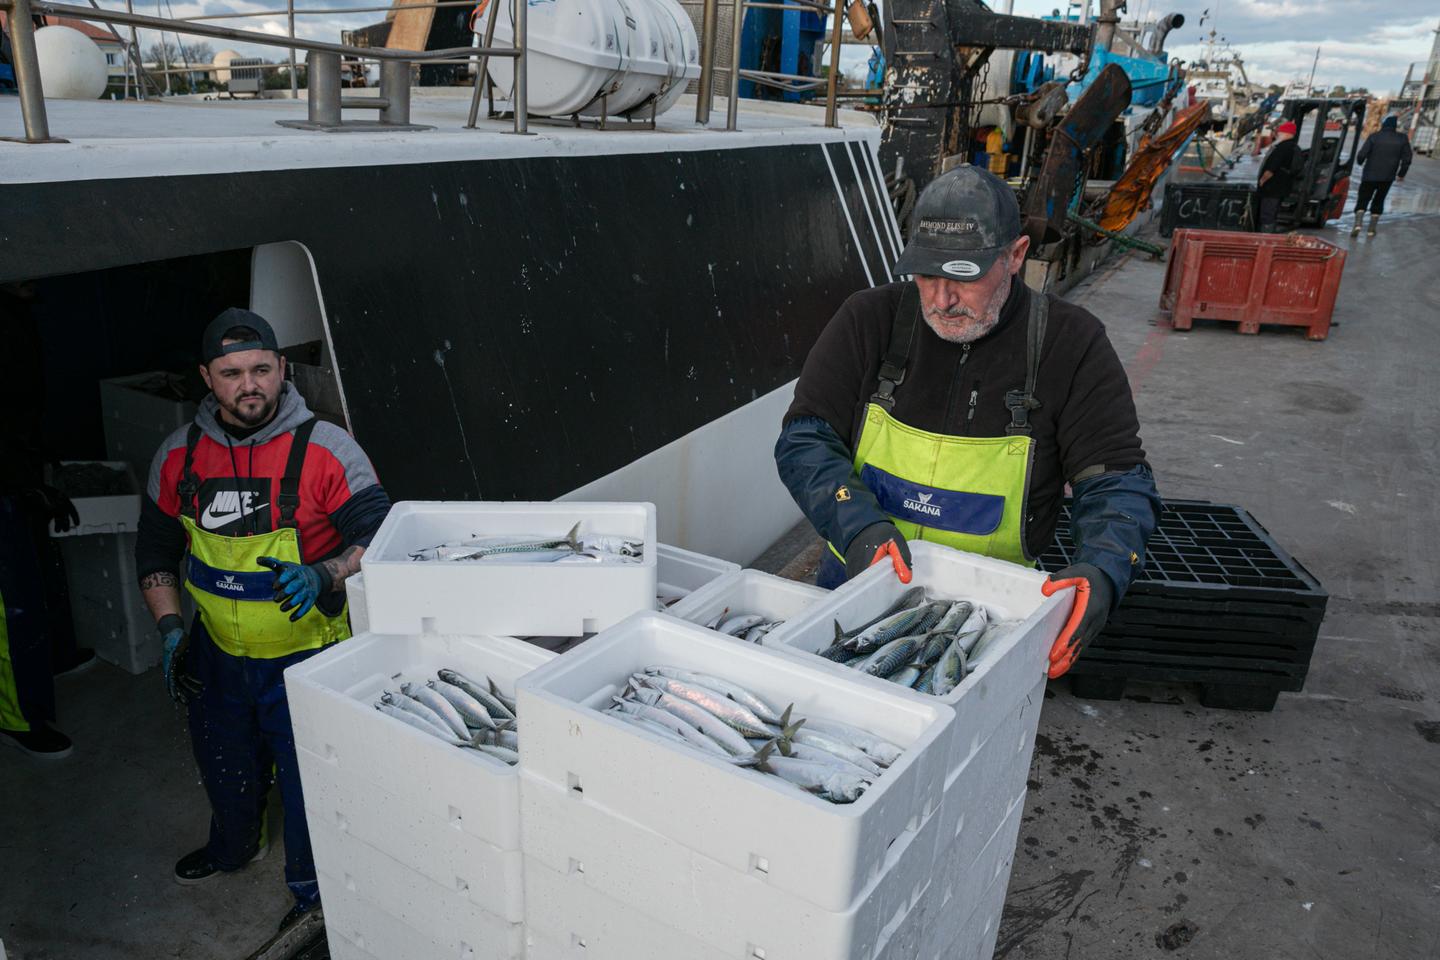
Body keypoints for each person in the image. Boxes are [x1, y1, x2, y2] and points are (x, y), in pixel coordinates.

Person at [774, 165, 1161, 677]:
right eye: (927, 274)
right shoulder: (868, 319)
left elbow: (1116, 482)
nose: (941, 299)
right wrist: (856, 526)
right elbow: (805, 437)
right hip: (855, 582)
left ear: (1016, 256)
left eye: (964, 275)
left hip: (991, 611)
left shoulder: (1074, 345)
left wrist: (1105, 569)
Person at [135, 308, 391, 930]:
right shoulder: (178, 456)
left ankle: (311, 892)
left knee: (310, 782)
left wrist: (326, 574)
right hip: (217, 653)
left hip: (309, 656)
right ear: (207, 377)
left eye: (260, 369)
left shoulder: (328, 449)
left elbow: (382, 537)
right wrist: (172, 629)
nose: (249, 385)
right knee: (224, 763)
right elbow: (156, 550)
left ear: (281, 368)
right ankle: (233, 846)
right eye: (231, 373)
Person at [0, 281, 83, 760]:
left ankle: (54, 656)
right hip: (4, 481)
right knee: (11, 603)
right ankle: (17, 719)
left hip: (19, 470)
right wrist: (21, 479)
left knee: (40, 579)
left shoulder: (19, 312)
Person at [1350, 115, 1413, 238]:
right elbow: (1407, 159)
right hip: (1387, 177)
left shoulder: (1374, 136)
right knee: (1379, 200)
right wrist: (1401, 174)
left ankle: (1358, 224)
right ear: (1395, 126)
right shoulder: (1402, 138)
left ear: (1383, 124)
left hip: (1369, 175)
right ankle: (1371, 229)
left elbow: (1362, 154)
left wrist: (1360, 161)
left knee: (1363, 198)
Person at [1256, 120, 1300, 233]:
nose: (1277, 134)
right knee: (1273, 212)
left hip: (1272, 188)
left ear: (1286, 133)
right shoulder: (1293, 146)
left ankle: (1266, 237)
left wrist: (1262, 181)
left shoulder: (1282, 148)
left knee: (1267, 214)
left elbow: (1270, 170)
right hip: (1281, 186)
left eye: (1280, 132)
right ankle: (1270, 233)